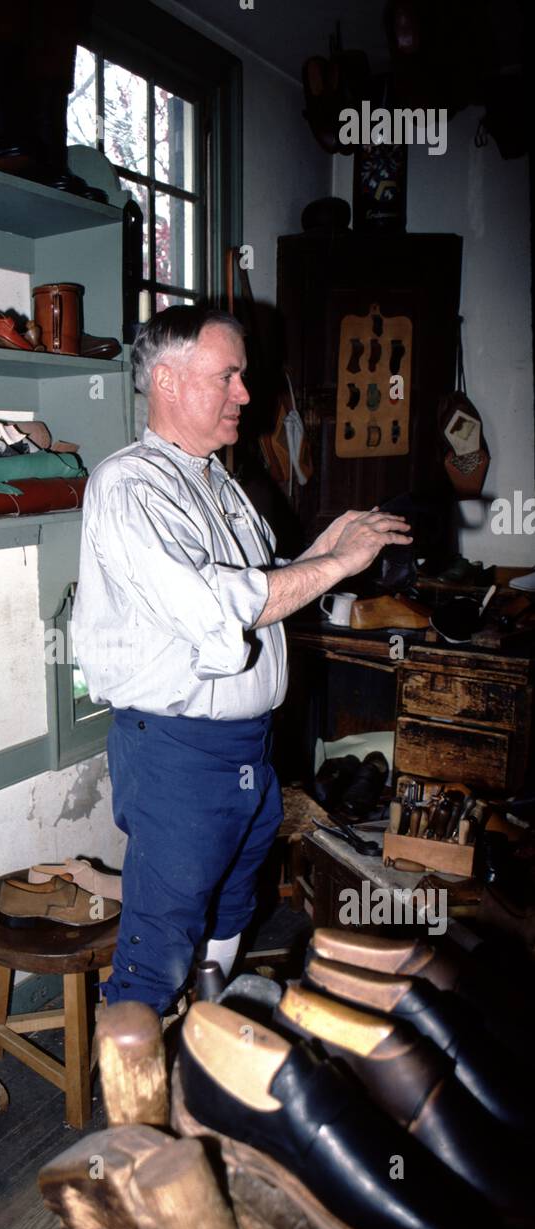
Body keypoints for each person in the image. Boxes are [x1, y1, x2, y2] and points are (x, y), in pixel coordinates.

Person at [72, 305, 411, 1014]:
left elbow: (256, 586)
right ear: (166, 381)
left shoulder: (215, 481)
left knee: (232, 903)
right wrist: (334, 563)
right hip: (176, 750)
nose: (245, 394)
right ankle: (131, 1100)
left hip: (247, 747)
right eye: (227, 376)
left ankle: (212, 1030)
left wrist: (325, 552)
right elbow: (211, 606)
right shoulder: (128, 486)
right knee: (159, 937)